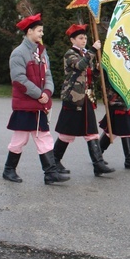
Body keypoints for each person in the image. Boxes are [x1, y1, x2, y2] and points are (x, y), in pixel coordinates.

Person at [2, 13, 69, 185]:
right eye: (39, 31)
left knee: (44, 136)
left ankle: (50, 173)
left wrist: (47, 91)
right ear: (29, 31)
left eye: (42, 31)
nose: (42, 34)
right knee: (20, 139)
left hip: (39, 105)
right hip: (25, 106)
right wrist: (39, 95)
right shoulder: (18, 53)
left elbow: (48, 75)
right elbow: (18, 79)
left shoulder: (42, 52)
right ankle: (9, 170)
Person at [51, 24, 114, 177]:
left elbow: (91, 75)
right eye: (80, 38)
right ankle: (54, 161)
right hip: (73, 97)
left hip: (86, 97)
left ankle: (98, 164)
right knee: (66, 134)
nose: (84, 40)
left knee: (91, 132)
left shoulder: (86, 53)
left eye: (85, 38)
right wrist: (93, 51)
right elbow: (80, 66)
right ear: (72, 39)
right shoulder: (70, 54)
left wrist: (98, 69)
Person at [98, 72, 130, 171]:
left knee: (113, 130)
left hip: (124, 99)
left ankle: (97, 154)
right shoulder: (111, 60)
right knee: (126, 129)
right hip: (116, 98)